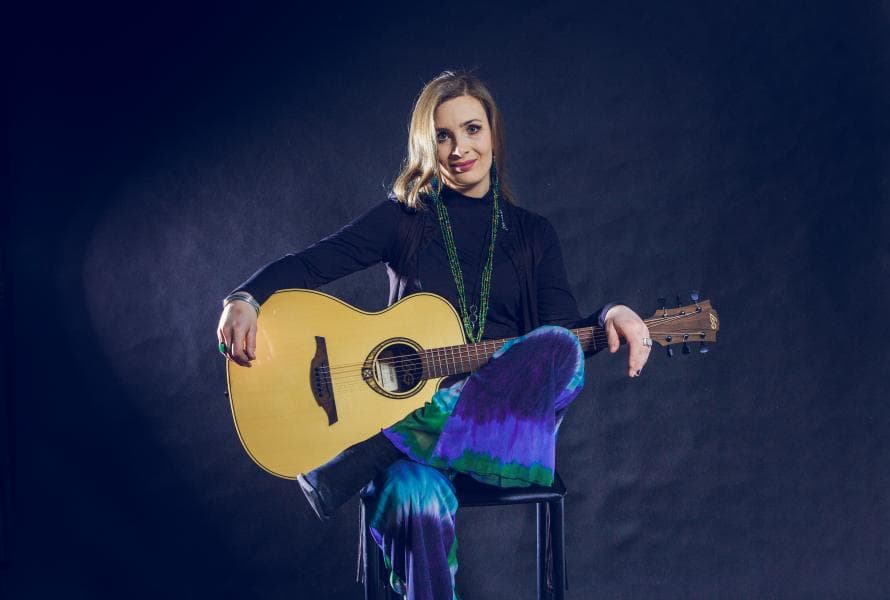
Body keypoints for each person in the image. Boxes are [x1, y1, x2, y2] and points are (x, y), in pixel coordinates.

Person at [217, 70, 651, 600]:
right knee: (409, 494)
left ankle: (377, 450)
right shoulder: (405, 221)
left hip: (503, 437)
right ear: (427, 144)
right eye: (443, 135)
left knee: (557, 345)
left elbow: (560, 339)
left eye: (472, 129)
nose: (460, 148)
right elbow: (312, 263)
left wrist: (610, 313)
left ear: (493, 134)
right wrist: (244, 298)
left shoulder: (533, 233)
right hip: (416, 452)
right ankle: (402, 447)